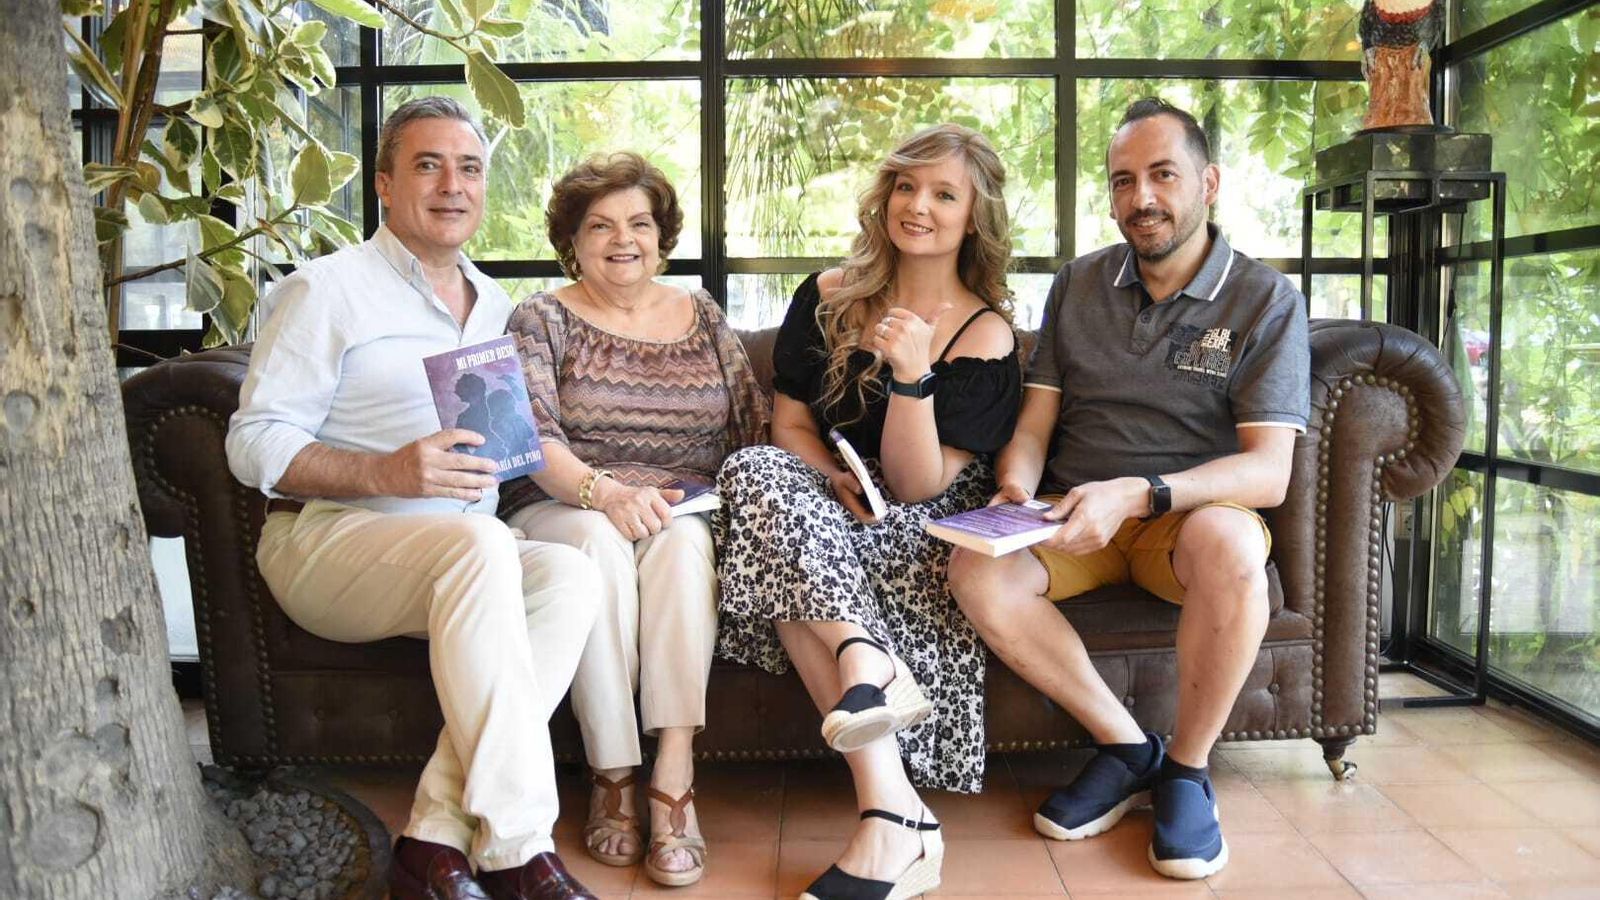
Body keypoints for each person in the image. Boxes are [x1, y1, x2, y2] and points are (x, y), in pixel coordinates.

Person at [226, 97, 601, 900]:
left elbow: (507, 451)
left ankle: (430, 840)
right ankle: (519, 850)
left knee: (571, 573)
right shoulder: (323, 291)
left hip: (462, 554)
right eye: (428, 165)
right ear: (386, 185)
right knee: (479, 548)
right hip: (330, 542)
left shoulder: (497, 307)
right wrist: (384, 472)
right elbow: (251, 442)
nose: (451, 185)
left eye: (469, 168)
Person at [947, 97, 1310, 881]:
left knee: (1236, 538)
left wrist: (1141, 493)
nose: (1140, 198)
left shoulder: (1265, 300)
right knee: (974, 567)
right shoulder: (1079, 286)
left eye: (1161, 175)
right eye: (1122, 181)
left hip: (1183, 519)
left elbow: (1267, 471)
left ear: (1207, 182)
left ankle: (1185, 768)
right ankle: (1123, 743)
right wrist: (1014, 487)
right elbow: (1038, 419)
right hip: (1076, 514)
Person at [714, 124, 1021, 900]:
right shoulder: (825, 297)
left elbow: (919, 489)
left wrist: (914, 376)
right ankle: (887, 786)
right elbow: (789, 430)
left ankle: (895, 814)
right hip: (828, 501)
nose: (918, 206)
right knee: (755, 468)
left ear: (973, 216)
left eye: (944, 194)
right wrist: (834, 481)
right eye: (906, 187)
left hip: (918, 533)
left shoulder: (985, 333)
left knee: (789, 572)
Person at [499, 152, 769, 888]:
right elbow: (529, 441)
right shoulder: (540, 317)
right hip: (566, 503)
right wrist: (604, 493)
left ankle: (672, 774)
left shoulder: (702, 315)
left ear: (662, 234)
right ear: (573, 240)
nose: (624, 240)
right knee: (594, 547)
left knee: (683, 545)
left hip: (682, 507)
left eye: (640, 223)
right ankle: (612, 772)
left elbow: (753, 428)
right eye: (601, 226)